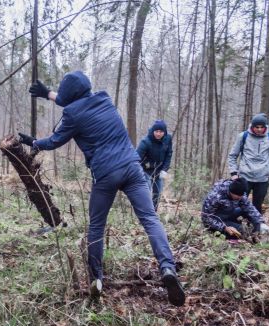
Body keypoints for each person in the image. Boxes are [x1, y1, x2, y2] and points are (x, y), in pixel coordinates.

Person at [20, 71, 185, 306]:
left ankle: (96, 278)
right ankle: (168, 269)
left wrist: (34, 142)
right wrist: (48, 94)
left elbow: (55, 140)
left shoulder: (72, 114)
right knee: (150, 218)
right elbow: (76, 101)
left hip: (106, 174)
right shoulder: (104, 98)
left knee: (97, 225)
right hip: (132, 168)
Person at [228, 113, 269, 214]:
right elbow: (233, 155)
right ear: (252, 126)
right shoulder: (243, 136)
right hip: (245, 177)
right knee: (239, 204)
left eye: (262, 127)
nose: (259, 129)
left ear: (265, 127)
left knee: (257, 206)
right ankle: (236, 225)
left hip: (262, 177)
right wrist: (233, 173)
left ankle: (255, 227)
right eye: (257, 127)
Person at [201, 177, 269, 240]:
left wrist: (260, 222)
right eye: (237, 196)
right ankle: (248, 234)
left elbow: (249, 208)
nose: (240, 198)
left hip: (229, 213)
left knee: (247, 212)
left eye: (241, 196)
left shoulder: (240, 193)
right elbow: (206, 217)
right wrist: (224, 227)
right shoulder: (216, 196)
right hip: (217, 219)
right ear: (231, 191)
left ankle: (258, 231)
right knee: (239, 231)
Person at [136, 120, 173, 211]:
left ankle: (153, 212)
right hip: (145, 170)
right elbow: (136, 158)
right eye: (156, 131)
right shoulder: (145, 142)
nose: (158, 134)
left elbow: (169, 154)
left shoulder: (167, 139)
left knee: (158, 192)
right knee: (147, 192)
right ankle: (145, 211)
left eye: (161, 132)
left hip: (159, 170)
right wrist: (140, 170)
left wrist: (165, 169)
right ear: (153, 131)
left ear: (164, 132)